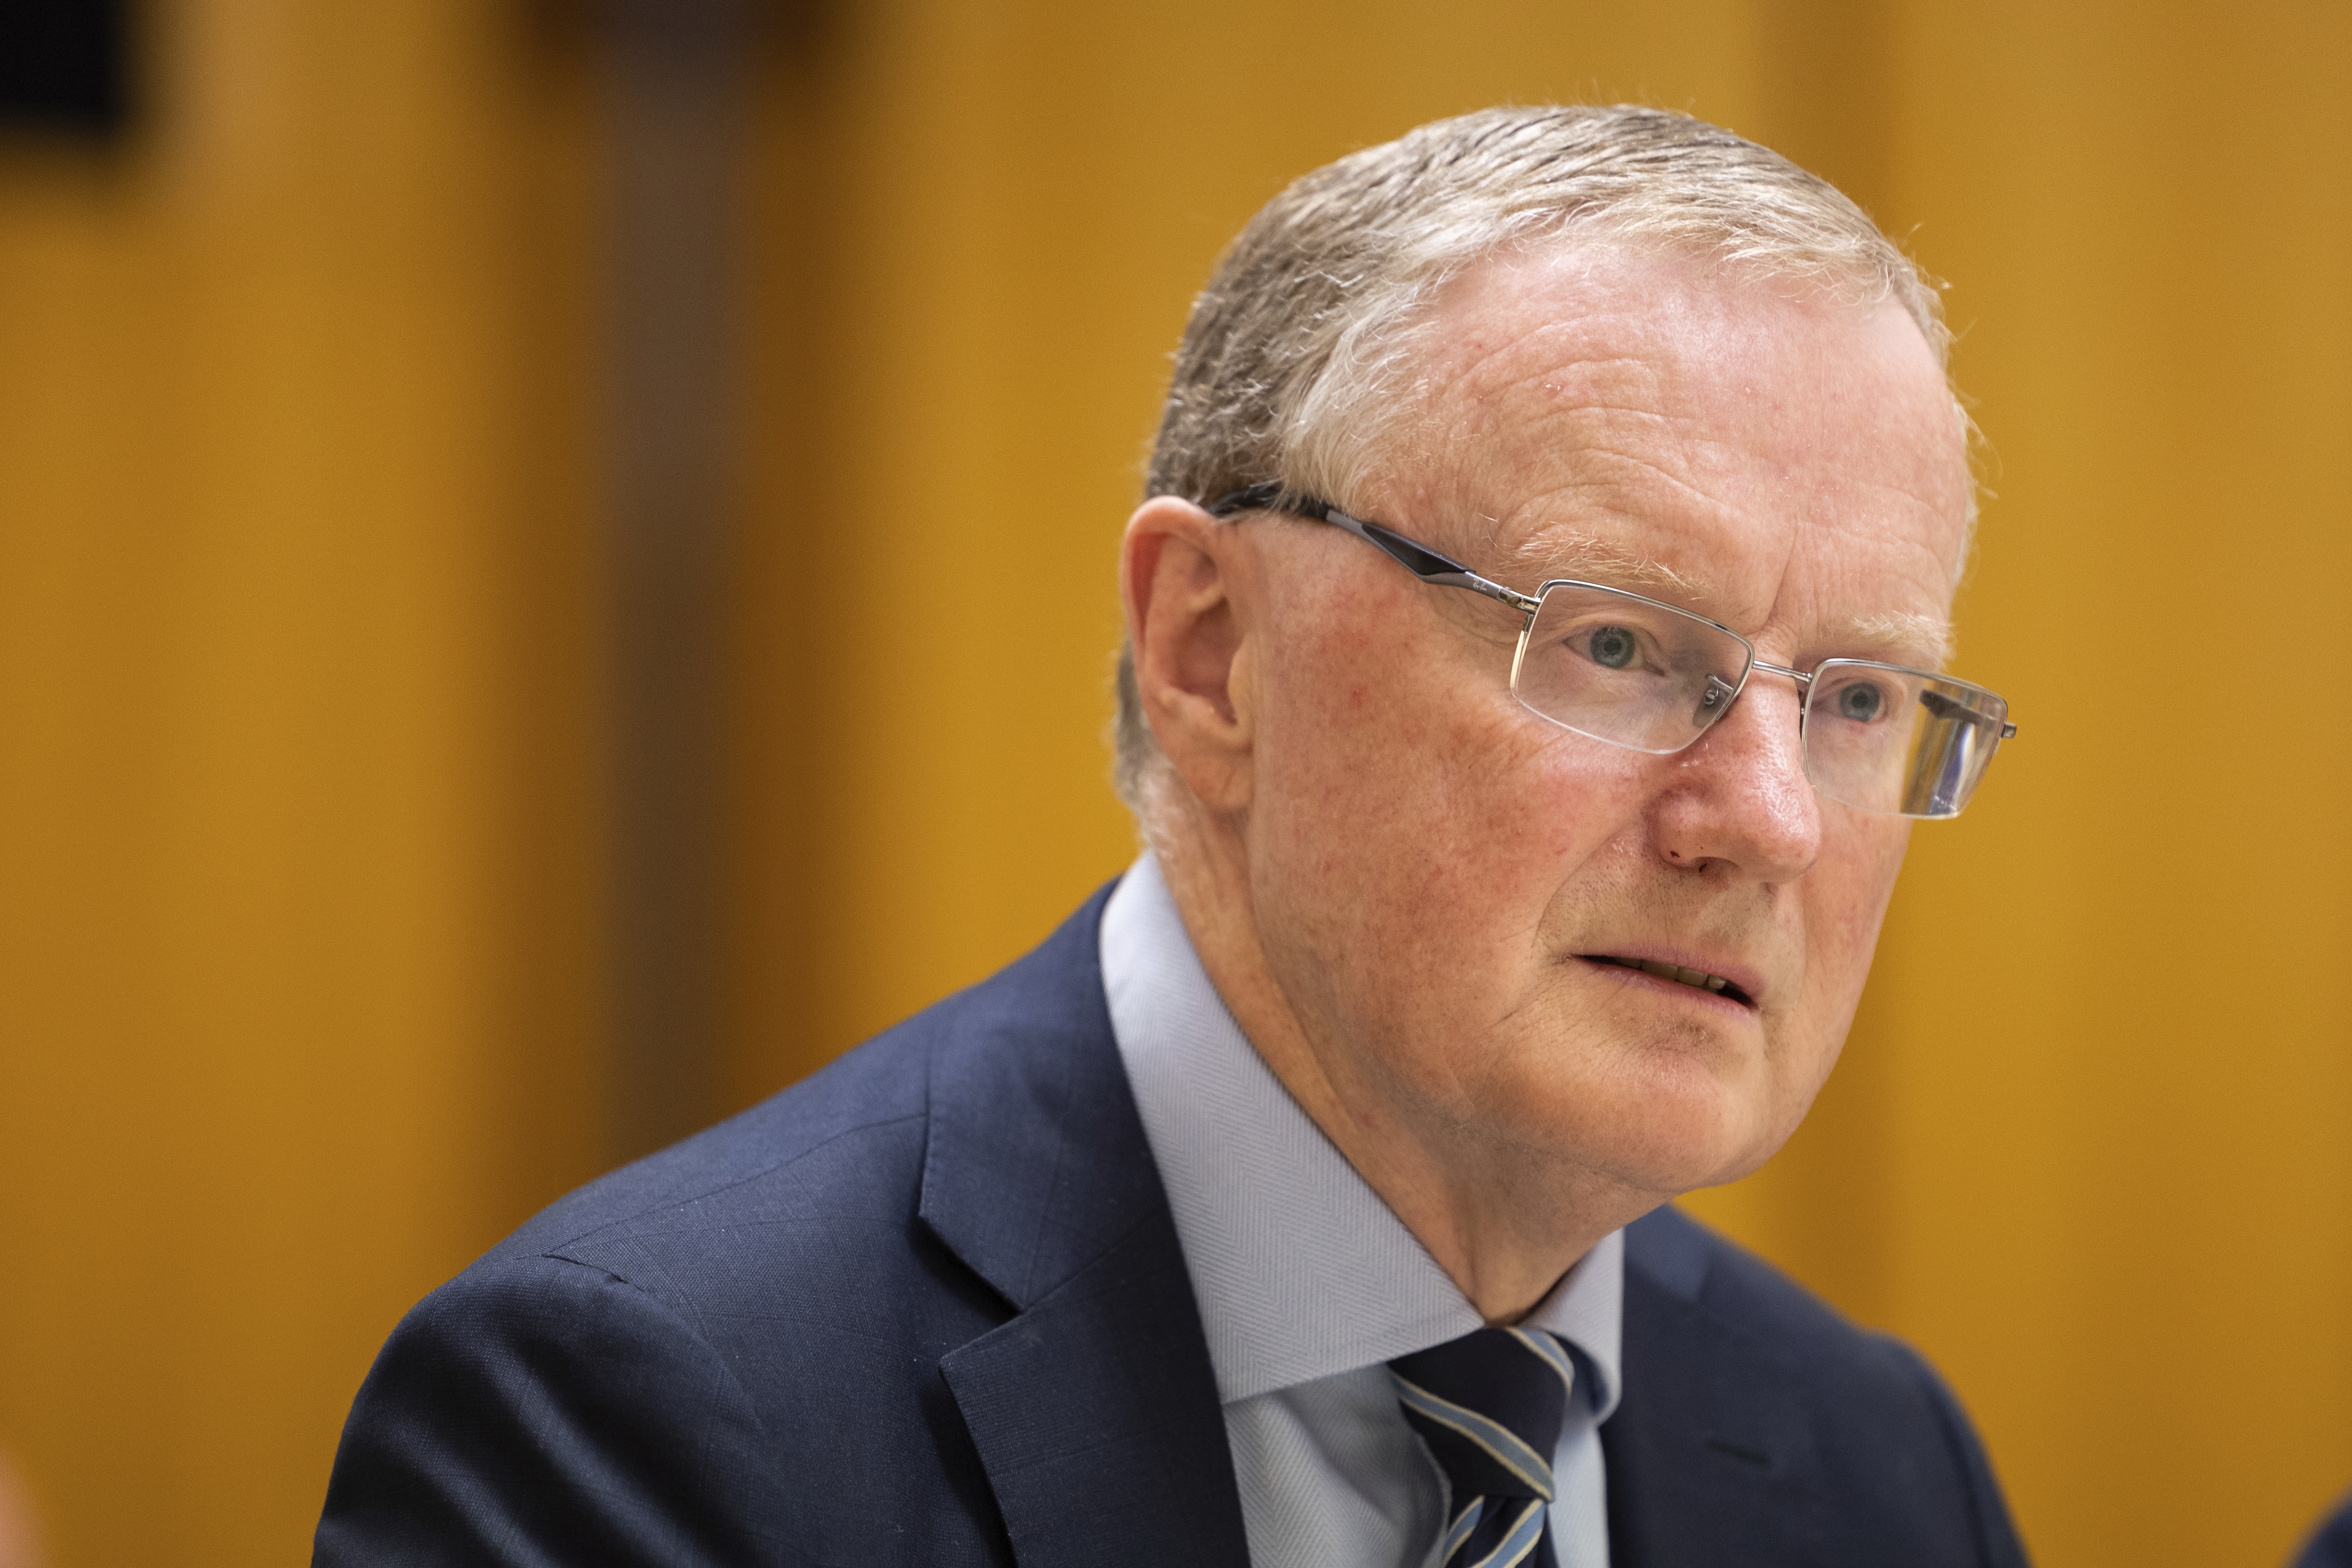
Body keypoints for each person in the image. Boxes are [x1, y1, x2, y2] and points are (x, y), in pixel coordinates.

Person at [315, 105, 2029, 1567]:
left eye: (1862, 699)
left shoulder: (1879, 1469)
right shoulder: (651, 1424)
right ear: (1213, 653)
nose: (1773, 819)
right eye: (1616, 645)